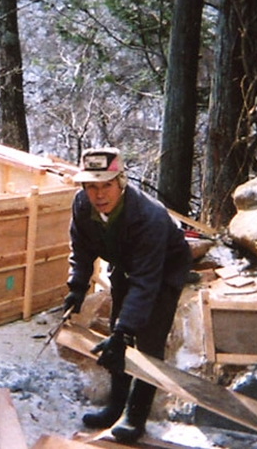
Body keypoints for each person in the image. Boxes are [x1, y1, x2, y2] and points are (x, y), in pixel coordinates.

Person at [62, 147, 191, 443]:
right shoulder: (82, 205)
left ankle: (135, 416)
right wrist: (77, 286)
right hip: (125, 262)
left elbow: (146, 282)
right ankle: (116, 406)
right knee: (117, 332)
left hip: (163, 269)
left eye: (106, 185)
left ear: (121, 182)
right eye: (91, 186)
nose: (99, 195)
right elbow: (81, 248)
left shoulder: (149, 216)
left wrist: (125, 331)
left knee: (146, 339)